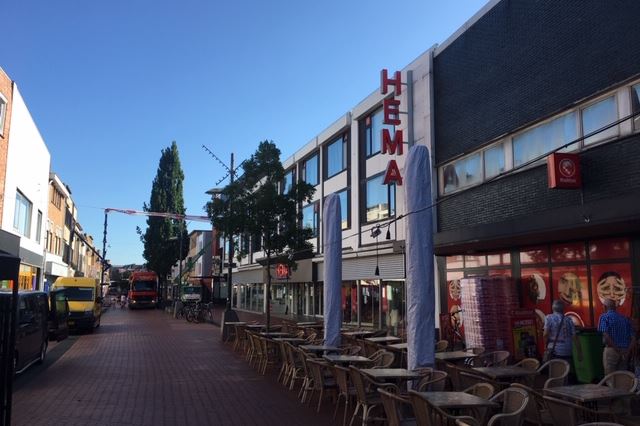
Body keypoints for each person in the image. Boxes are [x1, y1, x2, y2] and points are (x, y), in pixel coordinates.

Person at [598, 298, 636, 374]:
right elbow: (633, 338)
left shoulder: (604, 317)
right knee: (622, 376)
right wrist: (627, 351)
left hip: (611, 350)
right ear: (615, 307)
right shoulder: (625, 319)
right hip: (625, 351)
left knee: (610, 376)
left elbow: (606, 335)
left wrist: (617, 349)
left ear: (605, 307)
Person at [543, 300, 577, 366]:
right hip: (568, 350)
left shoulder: (549, 318)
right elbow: (574, 336)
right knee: (566, 370)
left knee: (555, 371)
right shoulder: (569, 319)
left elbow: (545, 334)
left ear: (553, 308)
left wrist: (545, 346)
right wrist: (579, 352)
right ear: (563, 308)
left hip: (555, 350)